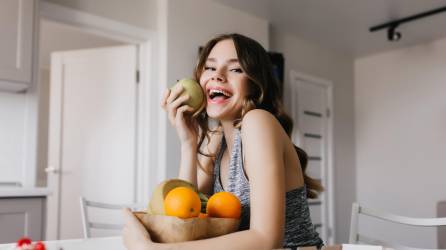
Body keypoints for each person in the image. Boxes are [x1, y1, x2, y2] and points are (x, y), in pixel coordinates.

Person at [122, 33, 324, 250]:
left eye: (235, 69)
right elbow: (186, 218)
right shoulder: (217, 140)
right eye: (210, 67)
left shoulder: (258, 122)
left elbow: (267, 240)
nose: (217, 76)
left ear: (255, 85)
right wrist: (189, 143)